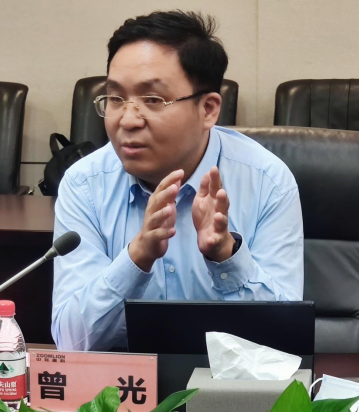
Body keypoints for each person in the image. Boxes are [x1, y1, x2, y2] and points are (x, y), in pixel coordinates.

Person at [52, 10, 304, 352]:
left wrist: (225, 256)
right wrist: (136, 258)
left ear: (208, 109)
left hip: (227, 383)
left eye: (153, 100)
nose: (128, 119)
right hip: (125, 384)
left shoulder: (267, 181)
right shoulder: (84, 185)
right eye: (115, 98)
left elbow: (283, 343)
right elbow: (72, 342)